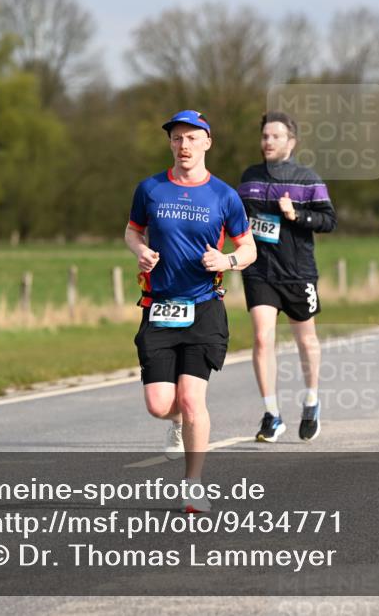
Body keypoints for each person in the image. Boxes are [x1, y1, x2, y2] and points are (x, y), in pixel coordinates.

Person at [126, 110, 256, 512]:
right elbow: (132, 231)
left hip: (203, 308)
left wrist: (227, 262)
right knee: (160, 405)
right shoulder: (150, 189)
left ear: (207, 143)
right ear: (170, 144)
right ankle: (176, 424)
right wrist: (141, 250)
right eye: (177, 138)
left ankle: (193, 483)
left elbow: (248, 248)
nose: (184, 145)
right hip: (160, 307)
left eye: (191, 138)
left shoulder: (223, 195)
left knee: (193, 398)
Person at [237, 111, 336, 443]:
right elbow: (236, 218)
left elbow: (328, 221)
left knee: (305, 340)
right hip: (259, 270)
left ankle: (311, 400)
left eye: (275, 136)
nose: (267, 141)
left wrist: (296, 214)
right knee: (263, 338)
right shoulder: (249, 176)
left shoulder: (308, 179)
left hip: (298, 273)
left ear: (291, 142)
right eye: (264, 136)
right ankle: (272, 414)